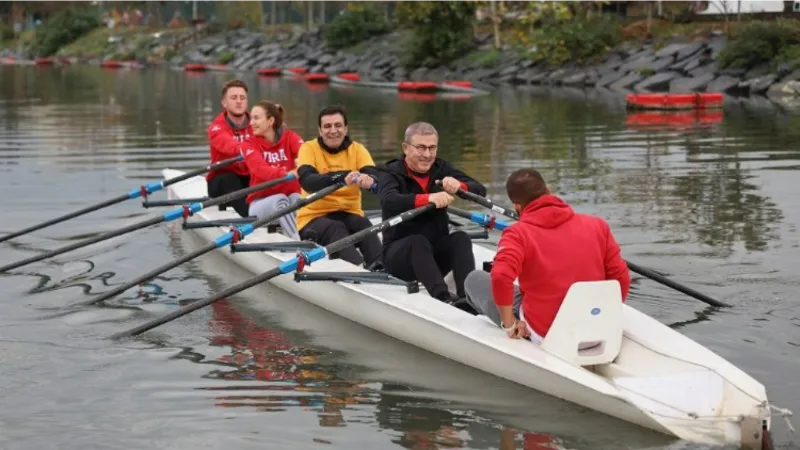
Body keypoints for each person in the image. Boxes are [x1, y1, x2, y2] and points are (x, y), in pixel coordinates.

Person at [464, 168, 631, 343]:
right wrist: (605, 315)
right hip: (596, 326)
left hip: (546, 333)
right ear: (549, 191)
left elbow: (500, 277)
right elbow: (621, 278)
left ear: (517, 207)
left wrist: (510, 324)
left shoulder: (517, 234)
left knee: (473, 279)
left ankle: (508, 323)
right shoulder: (598, 226)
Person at [377, 122, 486, 304]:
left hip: (434, 258)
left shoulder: (442, 169)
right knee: (417, 242)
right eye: (420, 148)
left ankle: (467, 299)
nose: (427, 155)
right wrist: (427, 198)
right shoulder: (389, 172)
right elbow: (389, 200)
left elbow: (480, 190)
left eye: (432, 148)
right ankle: (443, 299)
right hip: (400, 259)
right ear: (405, 148)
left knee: (460, 238)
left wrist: (460, 186)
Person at [295, 105, 381, 267]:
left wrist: (371, 180)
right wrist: (341, 177)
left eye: (338, 125)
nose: (333, 131)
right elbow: (308, 182)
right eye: (327, 126)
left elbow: (376, 177)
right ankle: (358, 270)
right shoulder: (309, 148)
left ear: (346, 128)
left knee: (363, 224)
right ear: (320, 131)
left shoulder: (358, 150)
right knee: (336, 227)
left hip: (349, 214)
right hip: (313, 218)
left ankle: (381, 267)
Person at [239, 101, 304, 240]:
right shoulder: (248, 144)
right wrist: (286, 173)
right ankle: (297, 242)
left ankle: (306, 238)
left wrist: (304, 163)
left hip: (288, 199)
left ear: (270, 121)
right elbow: (261, 170)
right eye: (251, 118)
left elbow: (306, 153)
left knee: (297, 198)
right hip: (260, 205)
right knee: (280, 200)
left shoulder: (290, 137)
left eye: (256, 118)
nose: (251, 123)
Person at [206, 79, 252, 218]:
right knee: (228, 179)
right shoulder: (216, 127)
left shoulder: (258, 123)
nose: (239, 101)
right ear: (224, 103)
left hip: (249, 178)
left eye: (242, 98)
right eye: (233, 98)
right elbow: (231, 147)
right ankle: (251, 217)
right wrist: (250, 150)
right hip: (222, 181)